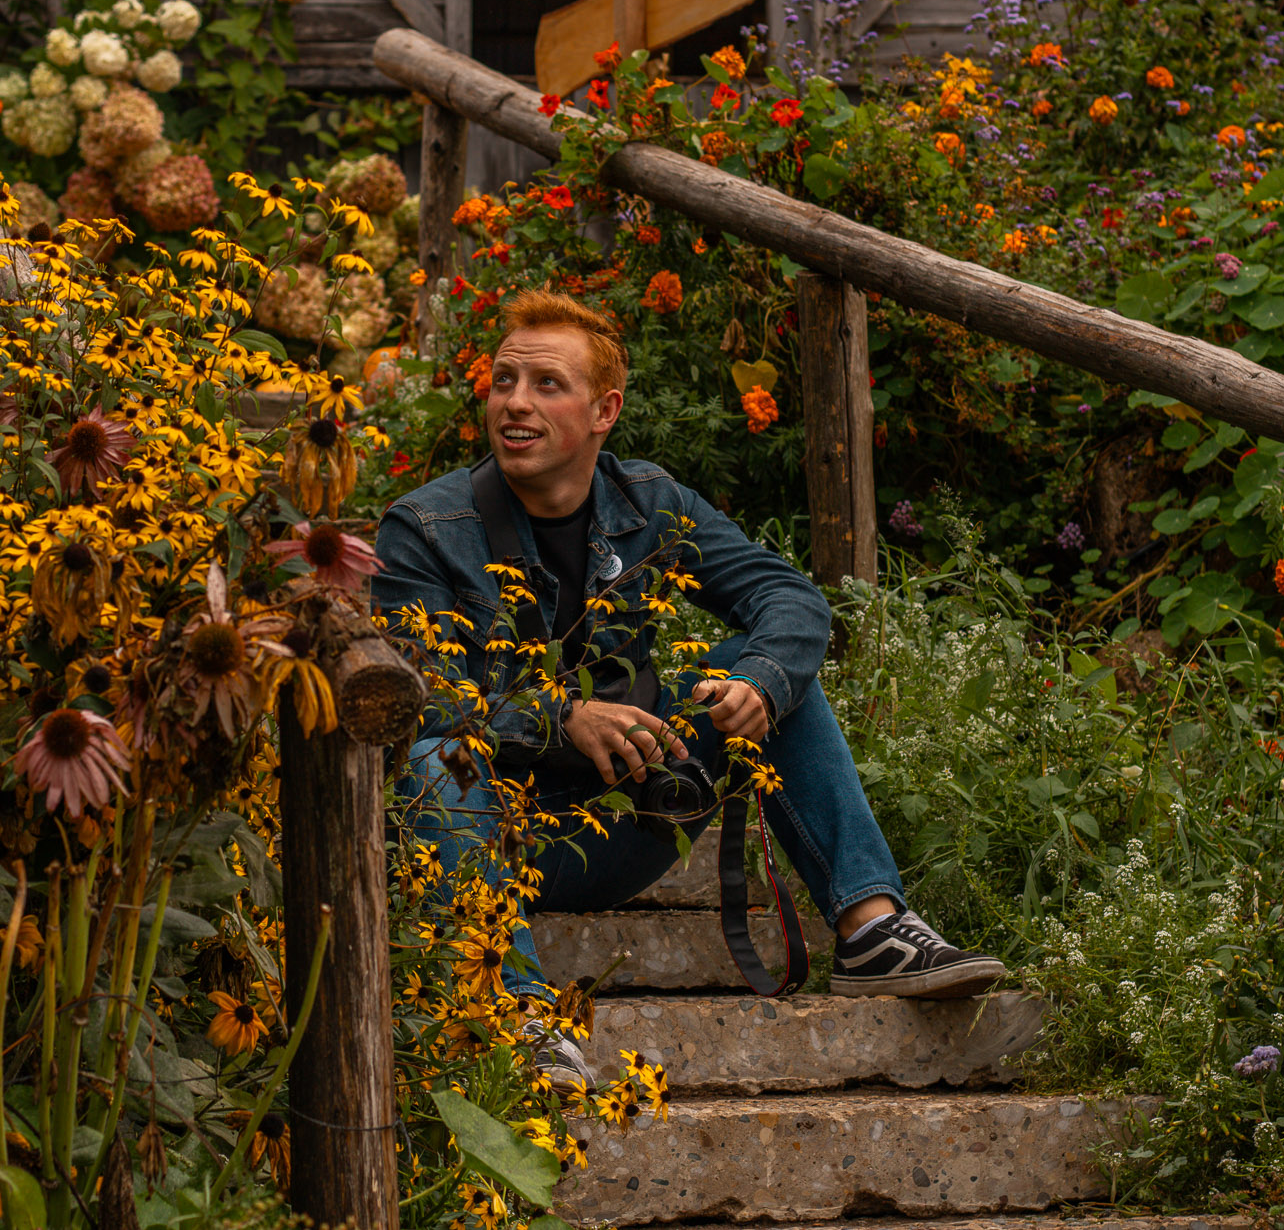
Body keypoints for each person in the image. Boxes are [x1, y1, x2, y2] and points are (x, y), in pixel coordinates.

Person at [372, 289, 1003, 1076]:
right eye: (504, 381)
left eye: (545, 385)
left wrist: (758, 686)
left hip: (627, 822)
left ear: (605, 410)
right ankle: (515, 1010)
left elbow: (791, 597)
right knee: (432, 757)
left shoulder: (650, 501)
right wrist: (560, 715)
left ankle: (872, 928)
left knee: (765, 675)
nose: (515, 403)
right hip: (485, 831)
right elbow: (418, 695)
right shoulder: (426, 526)